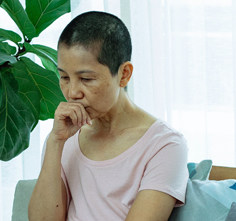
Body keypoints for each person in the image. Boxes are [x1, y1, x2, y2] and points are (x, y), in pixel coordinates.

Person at [28, 11, 188, 221]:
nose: (72, 92)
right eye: (64, 77)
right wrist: (55, 143)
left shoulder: (165, 145)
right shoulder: (65, 137)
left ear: (124, 74)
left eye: (86, 79)